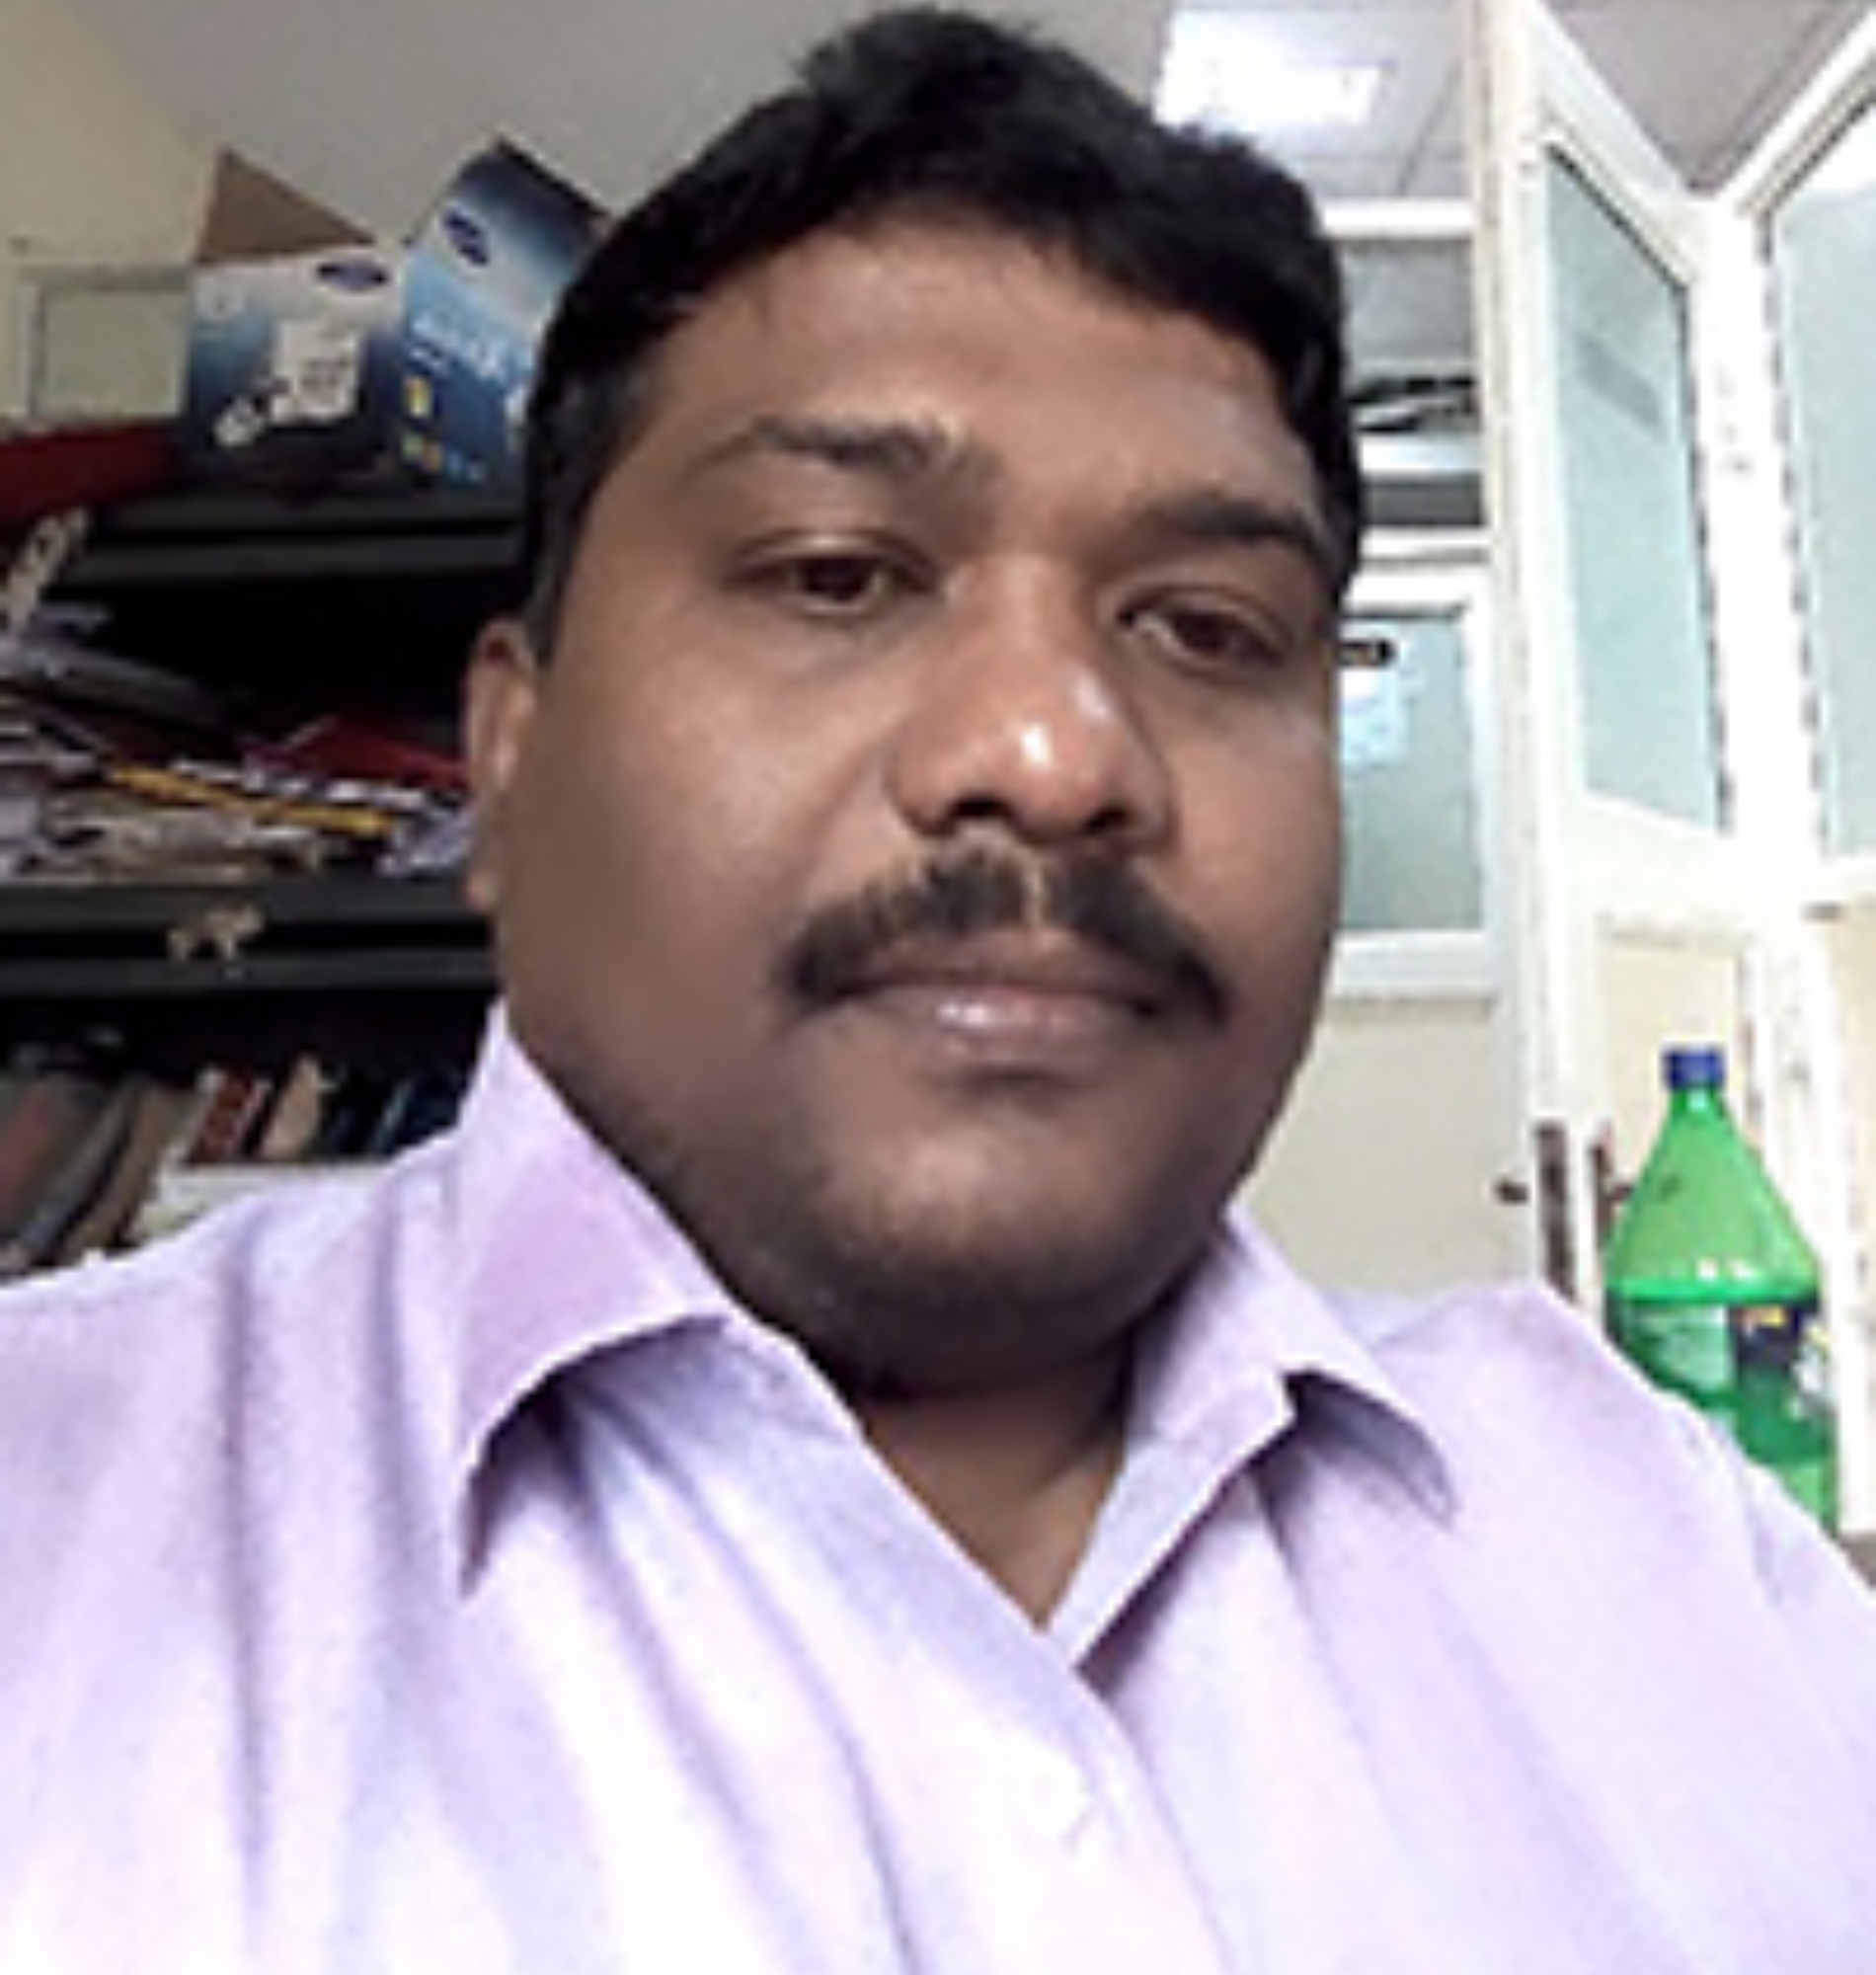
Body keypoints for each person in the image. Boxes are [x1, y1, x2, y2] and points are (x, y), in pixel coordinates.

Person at [1, 9, 1873, 1969]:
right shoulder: (64, 1526)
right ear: (510, 756)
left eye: (1205, 627)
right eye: (836, 574)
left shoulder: (1646, 1537)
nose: (1052, 755)